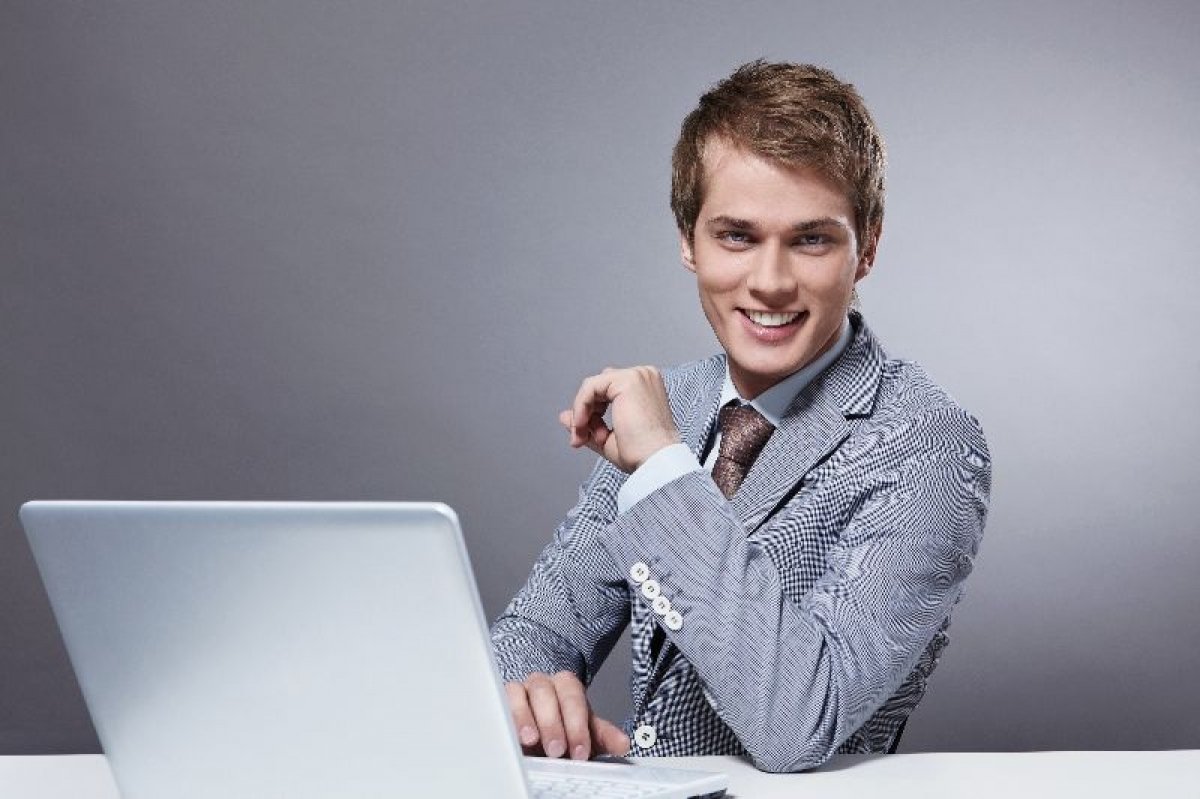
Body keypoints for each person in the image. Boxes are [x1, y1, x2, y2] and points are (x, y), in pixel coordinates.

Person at [489, 60, 991, 773]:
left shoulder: (929, 443)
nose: (770, 281)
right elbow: (533, 633)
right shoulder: (674, 403)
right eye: (736, 236)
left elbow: (800, 721)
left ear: (868, 247)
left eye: (811, 239)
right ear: (687, 241)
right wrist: (534, 699)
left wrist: (662, 466)